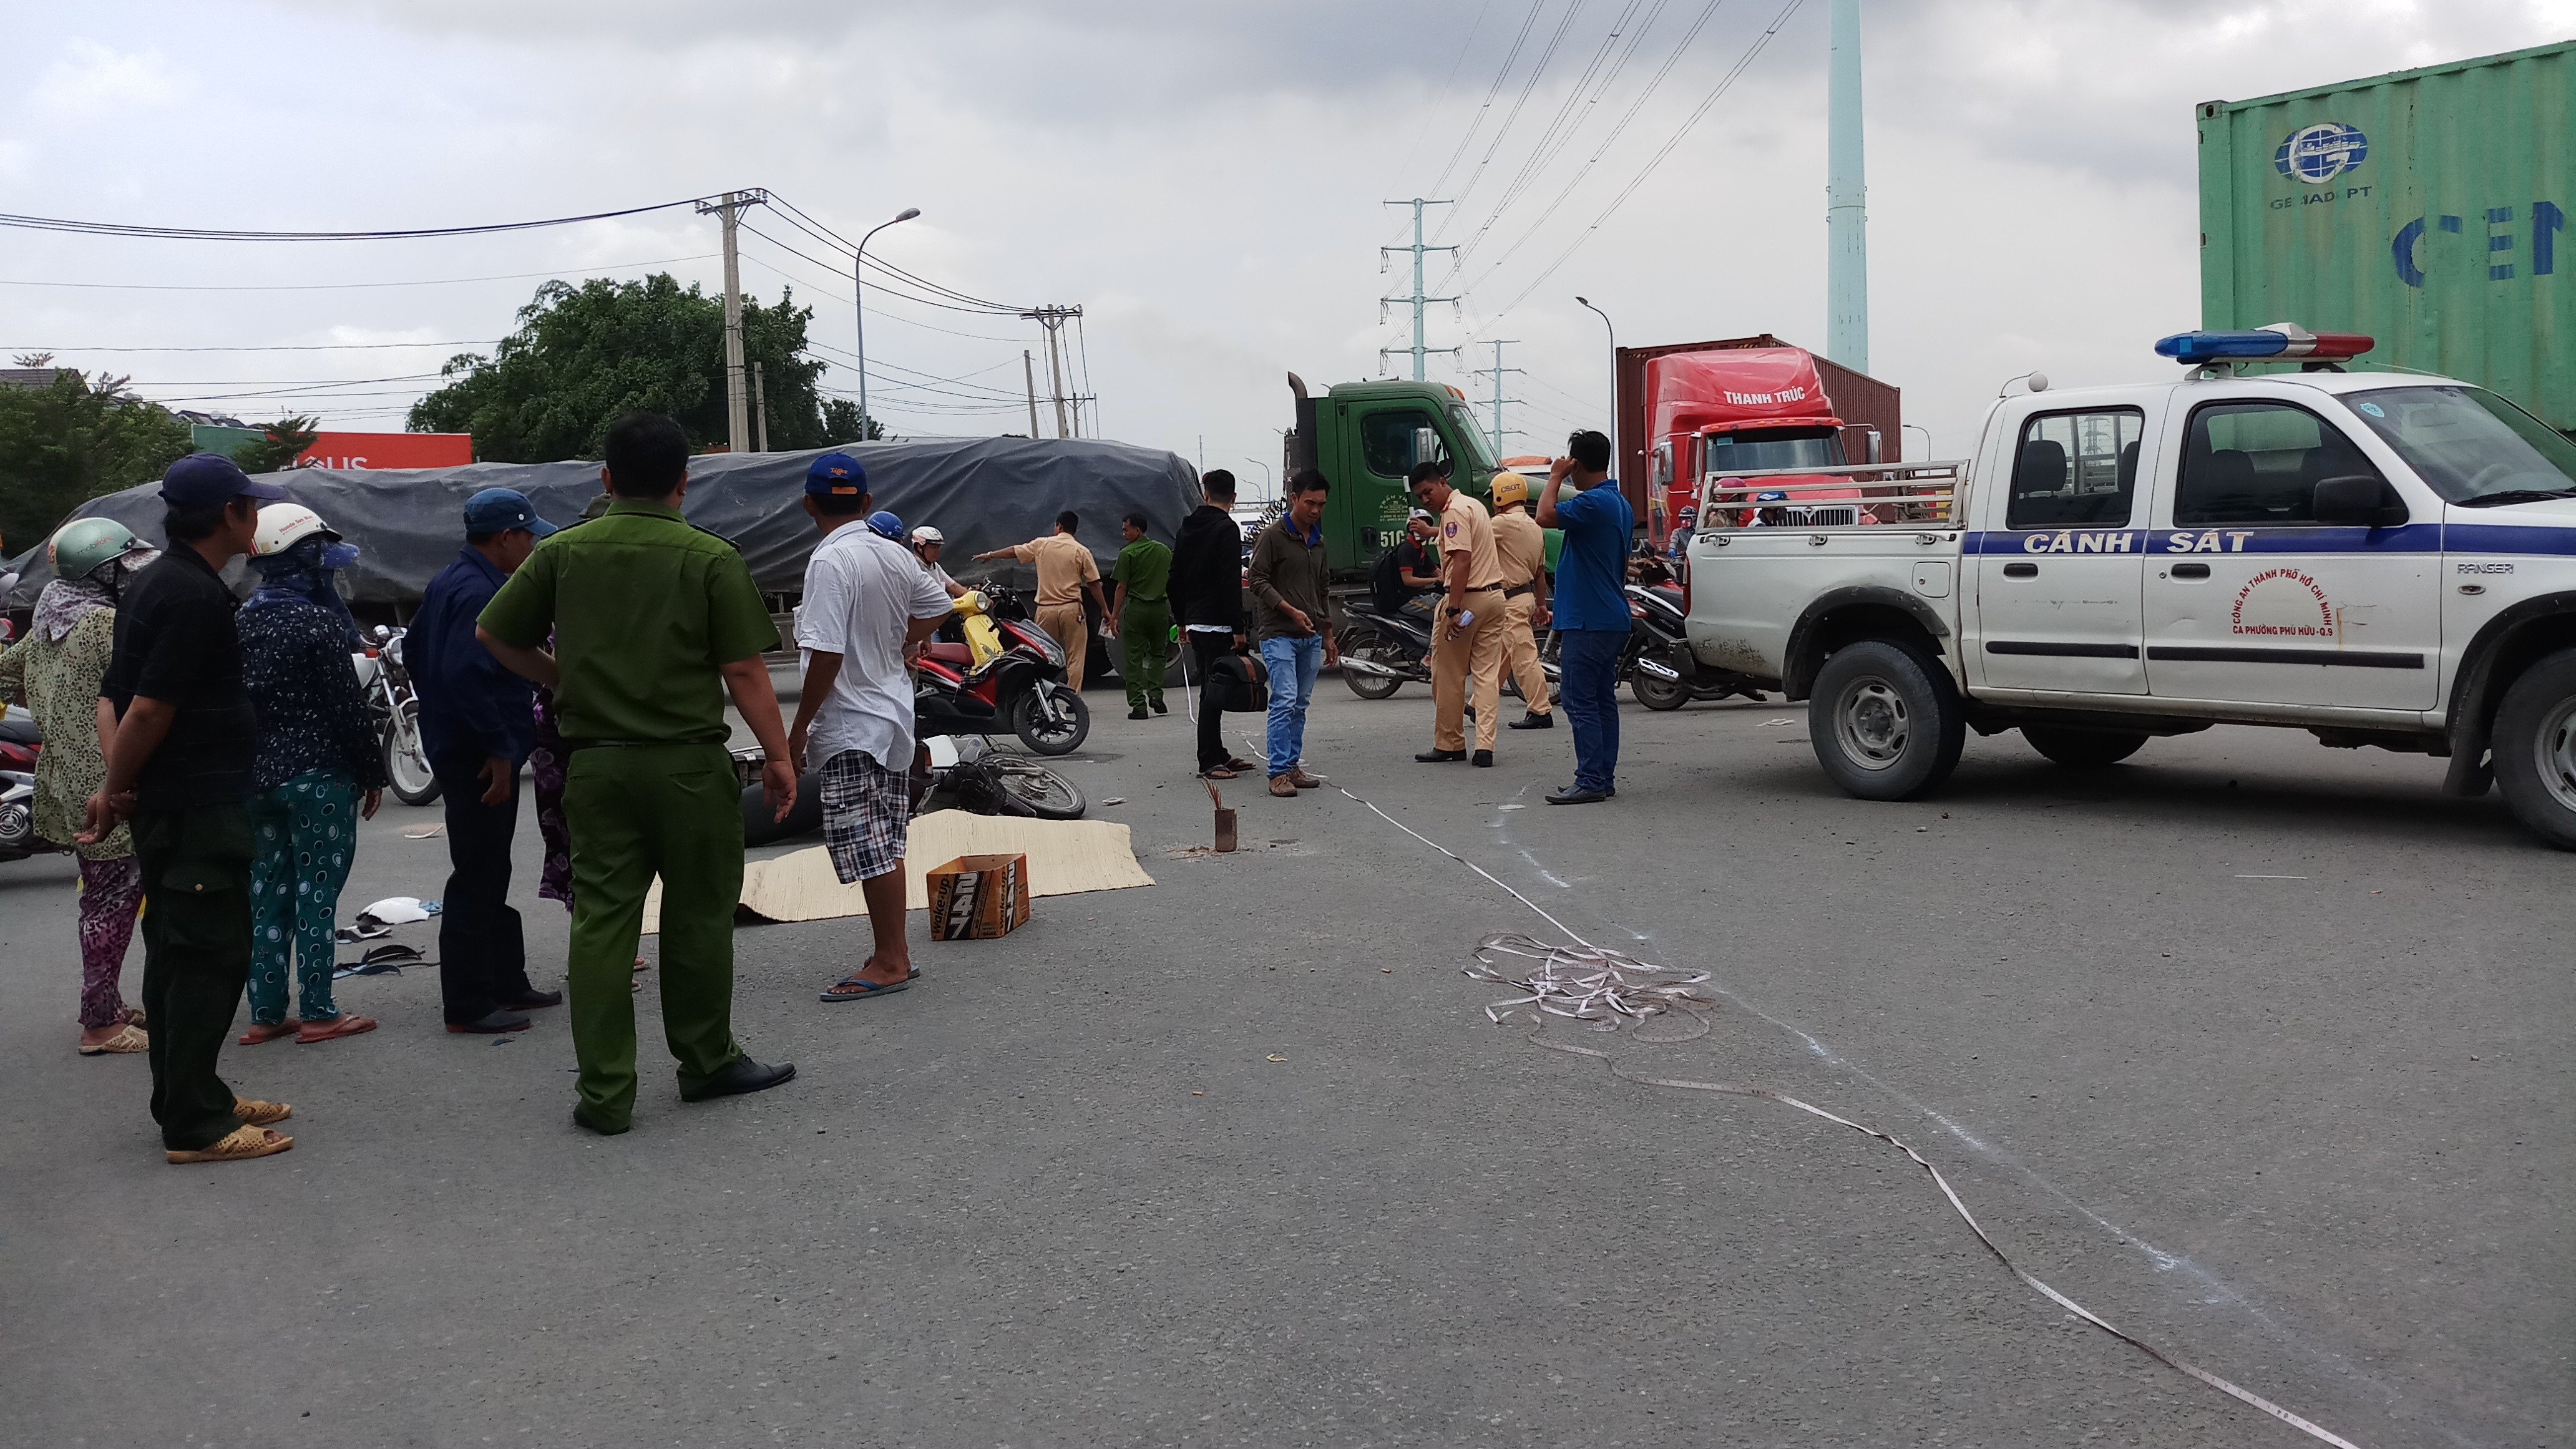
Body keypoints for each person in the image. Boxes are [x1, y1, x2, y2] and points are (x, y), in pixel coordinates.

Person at [477, 411, 798, 1136]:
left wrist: (561, 682)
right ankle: (706, 1061)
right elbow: (746, 668)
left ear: (606, 479)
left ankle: (606, 1094)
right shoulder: (709, 557)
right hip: (687, 765)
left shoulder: (562, 554)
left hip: (596, 767)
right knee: (698, 920)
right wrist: (779, 758)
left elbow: (494, 633)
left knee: (601, 925)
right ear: (686, 483)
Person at [82, 452, 296, 1164]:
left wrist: (120, 787)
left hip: (172, 804)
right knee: (209, 956)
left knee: (177, 956)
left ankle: (190, 1091)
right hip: (196, 808)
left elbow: (114, 697)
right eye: (250, 506)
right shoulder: (193, 596)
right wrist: (116, 791)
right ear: (230, 515)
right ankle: (196, 1126)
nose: (257, 517)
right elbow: (145, 710)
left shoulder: (154, 583)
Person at [783, 452, 953, 1004]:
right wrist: (896, 642)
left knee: (870, 842)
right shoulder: (890, 552)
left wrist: (799, 727)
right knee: (885, 838)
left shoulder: (830, 562)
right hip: (889, 713)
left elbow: (827, 653)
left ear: (808, 504)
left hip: (852, 720)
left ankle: (891, 960)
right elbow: (937, 607)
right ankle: (892, 951)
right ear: (866, 503)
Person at [233, 504, 388, 1046]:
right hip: (319, 776)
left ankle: (267, 1013)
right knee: (317, 894)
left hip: (257, 781)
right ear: (305, 559)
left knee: (267, 895)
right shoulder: (318, 621)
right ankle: (320, 1010)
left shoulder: (240, 620)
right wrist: (373, 773)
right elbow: (346, 707)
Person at [0, 519, 155, 1056]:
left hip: (64, 782)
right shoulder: (104, 626)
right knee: (111, 904)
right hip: (109, 785)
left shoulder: (47, 623)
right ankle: (99, 1023)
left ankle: (108, 1005)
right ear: (104, 573)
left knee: (100, 897)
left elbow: (5, 672)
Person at [412, 487, 564, 1037]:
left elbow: (416, 655)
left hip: (463, 743)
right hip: (477, 756)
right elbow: (465, 677)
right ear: (506, 538)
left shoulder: (451, 581)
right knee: (477, 872)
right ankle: (469, 1001)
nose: (532, 547)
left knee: (492, 866)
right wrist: (500, 752)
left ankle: (506, 978)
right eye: (529, 537)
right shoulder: (477, 590)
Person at [1536, 429, 1635, 804]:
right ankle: (1601, 776)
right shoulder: (1618, 503)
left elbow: (1545, 515)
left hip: (1588, 619)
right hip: (1607, 615)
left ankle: (1591, 778)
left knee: (1579, 700)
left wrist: (1555, 476)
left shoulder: (1594, 503)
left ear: (1576, 462)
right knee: (1600, 701)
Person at [1409, 461, 1509, 768]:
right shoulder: (1475, 506)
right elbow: (1466, 541)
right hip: (1495, 599)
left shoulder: (1452, 511)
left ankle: (1450, 743)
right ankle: (1485, 747)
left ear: (1442, 483)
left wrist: (1453, 609)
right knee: (1487, 677)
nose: (1425, 500)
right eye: (1420, 497)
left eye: (1428, 492)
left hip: (1466, 601)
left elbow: (1462, 560)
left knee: (1449, 675)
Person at [1246, 469, 1339, 799]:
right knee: (1283, 700)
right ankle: (1278, 773)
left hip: (1310, 636)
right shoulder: (1272, 537)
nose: (1315, 510)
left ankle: (1293, 766)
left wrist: (1328, 635)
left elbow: (1322, 589)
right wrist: (1289, 610)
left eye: (1322, 505)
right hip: (1278, 634)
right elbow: (1256, 580)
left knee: (1300, 703)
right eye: (1310, 503)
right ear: (1294, 498)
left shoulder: (1319, 541)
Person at [1166, 470, 1259, 780]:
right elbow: (1229, 583)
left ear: (1205, 494)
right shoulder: (1227, 529)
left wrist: (1181, 620)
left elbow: (1174, 579)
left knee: (1212, 687)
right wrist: (1239, 628)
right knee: (1212, 691)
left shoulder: (1186, 528)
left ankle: (1218, 753)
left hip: (1195, 621)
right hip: (1219, 623)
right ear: (1233, 498)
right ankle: (1208, 761)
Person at [974, 512, 1106, 690]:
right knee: (1075, 657)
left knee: (1042, 655)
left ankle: (1042, 696)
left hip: (1046, 610)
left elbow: (1015, 551)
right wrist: (1105, 609)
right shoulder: (1081, 550)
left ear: (1059, 526)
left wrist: (991, 555)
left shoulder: (1042, 544)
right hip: (1072, 610)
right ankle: (1072, 697)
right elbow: (1094, 584)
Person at [1488, 472, 1556, 732]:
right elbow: (1540, 572)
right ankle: (1477, 703)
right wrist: (1540, 604)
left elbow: (1470, 536)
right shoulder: (1535, 527)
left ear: (1501, 496)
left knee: (1524, 657)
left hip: (1510, 598)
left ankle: (1540, 710)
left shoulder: (1502, 524)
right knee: (1504, 655)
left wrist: (1433, 531)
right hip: (1526, 596)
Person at [1110, 512, 1173, 721]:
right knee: (1158, 654)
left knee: (1134, 659)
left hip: (1137, 610)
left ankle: (1138, 706)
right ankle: (1156, 695)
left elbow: (1121, 586)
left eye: (1126, 529)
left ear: (1138, 530)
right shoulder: (1164, 551)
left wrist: (1114, 616)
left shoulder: (1127, 554)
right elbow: (1172, 581)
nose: (1124, 534)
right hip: (1160, 610)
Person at [1369, 510, 1442, 622]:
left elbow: (1437, 572)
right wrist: (1434, 580)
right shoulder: (1407, 549)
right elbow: (1408, 580)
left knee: (1446, 604)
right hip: (1406, 600)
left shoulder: (1419, 549)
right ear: (1411, 529)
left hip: (1418, 595)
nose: (1425, 529)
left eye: (1427, 526)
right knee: (1443, 615)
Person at [910, 525, 967, 600]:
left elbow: (952, 586)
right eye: (933, 547)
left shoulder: (934, 565)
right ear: (919, 547)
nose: (937, 551)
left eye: (938, 547)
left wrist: (975, 596)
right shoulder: (912, 567)